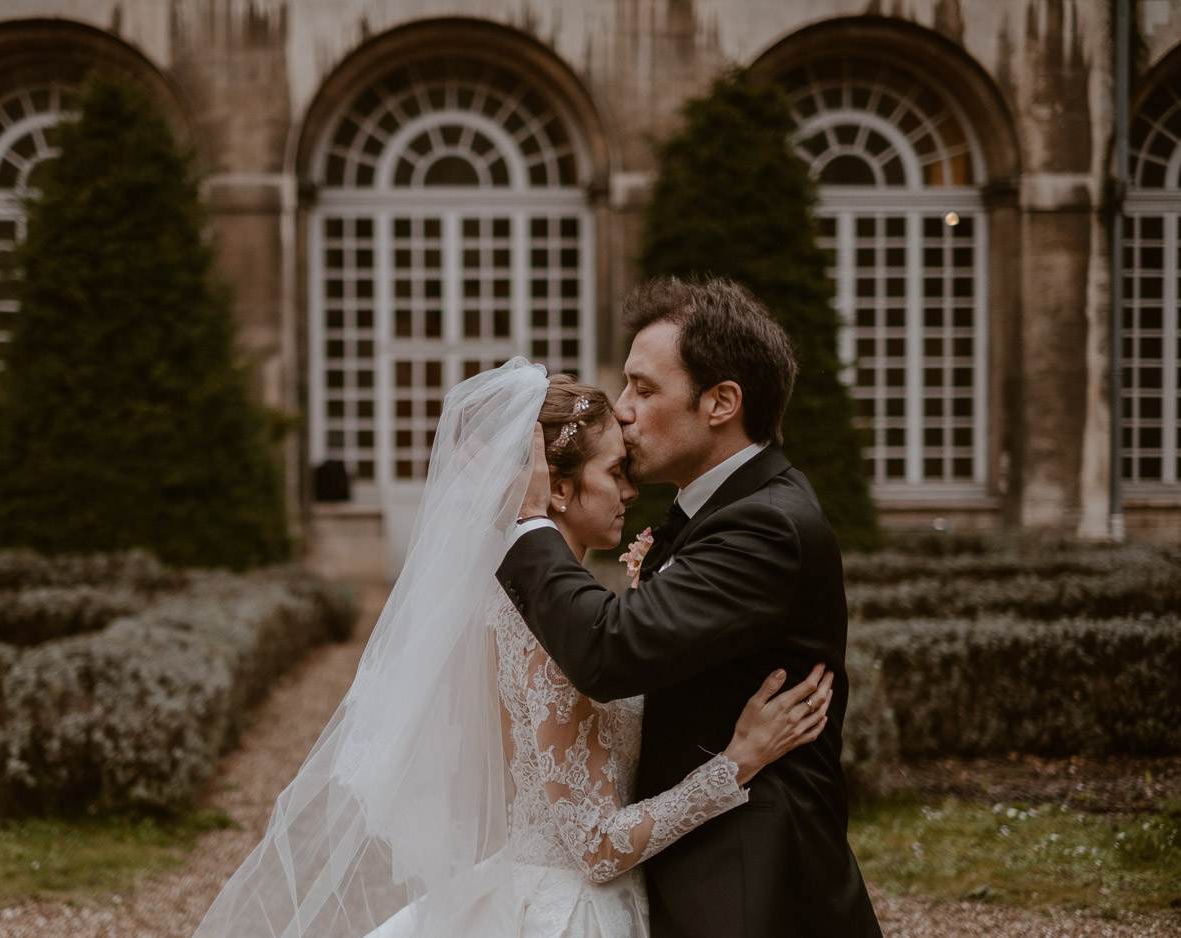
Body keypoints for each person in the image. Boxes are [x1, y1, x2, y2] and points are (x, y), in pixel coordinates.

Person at [192, 358, 831, 938]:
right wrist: (737, 763)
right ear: (556, 489)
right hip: (575, 911)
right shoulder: (544, 628)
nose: (632, 493)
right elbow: (595, 847)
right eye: (615, 473)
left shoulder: (555, 605)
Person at [498, 278, 883, 938]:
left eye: (643, 389)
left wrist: (531, 522)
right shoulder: (717, 512)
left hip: (746, 877)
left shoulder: (765, 526)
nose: (621, 411)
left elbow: (610, 651)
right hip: (672, 863)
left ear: (721, 403)